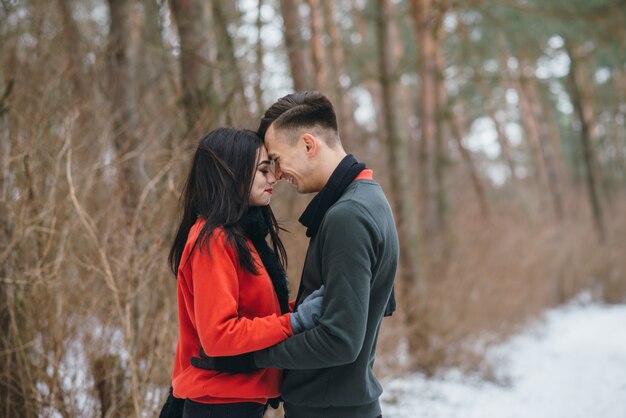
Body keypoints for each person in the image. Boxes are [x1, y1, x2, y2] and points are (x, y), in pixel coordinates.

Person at [196, 92, 399, 418]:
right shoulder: (368, 199)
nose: (276, 174)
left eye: (276, 158)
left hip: (329, 409)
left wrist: (251, 359)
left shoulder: (349, 215)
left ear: (308, 144)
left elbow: (340, 340)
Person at [162, 127, 325, 418]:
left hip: (237, 402)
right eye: (263, 170)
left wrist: (303, 309)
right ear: (232, 173)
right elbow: (219, 335)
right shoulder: (213, 240)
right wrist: (294, 322)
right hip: (218, 404)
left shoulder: (242, 237)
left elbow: (257, 317)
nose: (273, 178)